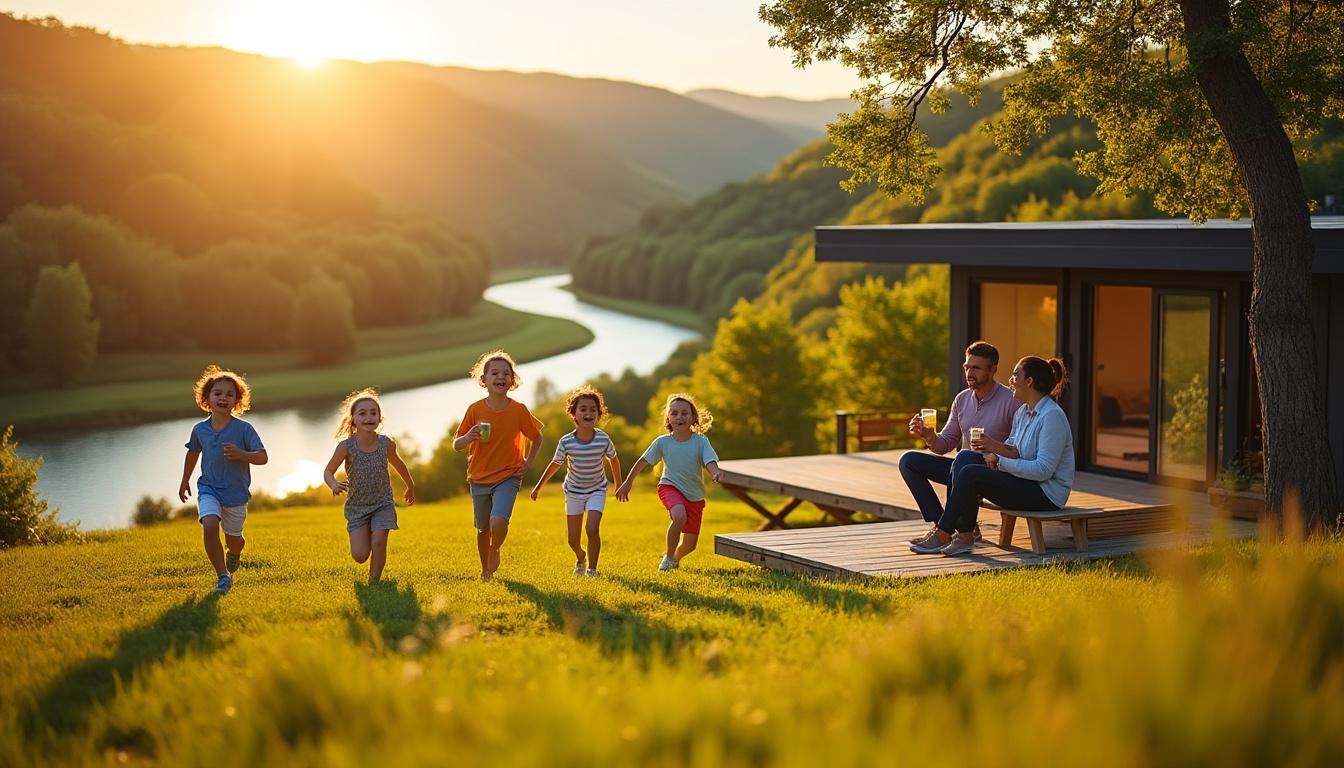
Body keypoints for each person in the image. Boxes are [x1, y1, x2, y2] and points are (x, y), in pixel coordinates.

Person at [910, 356, 1074, 556]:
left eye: (1016, 375)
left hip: (1045, 494)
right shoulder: (1023, 412)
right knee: (965, 458)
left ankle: (945, 533)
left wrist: (1000, 461)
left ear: (1029, 382)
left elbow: (1043, 471)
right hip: (1024, 481)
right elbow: (1013, 449)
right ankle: (964, 534)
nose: (1011, 380)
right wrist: (991, 446)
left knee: (971, 474)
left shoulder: (1051, 417)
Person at [898, 341, 1017, 542]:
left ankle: (955, 529)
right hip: (961, 470)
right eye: (967, 367)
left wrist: (994, 454)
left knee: (963, 458)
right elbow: (944, 444)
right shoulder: (961, 400)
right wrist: (929, 436)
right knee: (908, 461)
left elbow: (1018, 447)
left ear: (993, 369)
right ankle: (943, 525)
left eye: (976, 368)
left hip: (993, 471)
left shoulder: (1012, 400)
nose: (969, 372)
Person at [453, 350, 543, 581]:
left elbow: (537, 437)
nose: (500, 377)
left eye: (506, 373)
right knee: (483, 529)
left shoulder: (519, 410)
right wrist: (470, 436)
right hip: (479, 477)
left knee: (498, 521)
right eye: (495, 373)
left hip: (508, 475)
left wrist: (528, 463)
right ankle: (486, 570)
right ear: (484, 380)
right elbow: (457, 444)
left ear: (512, 380)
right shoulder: (475, 409)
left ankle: (495, 549)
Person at [177, 365, 268, 594]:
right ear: (207, 398)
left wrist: (242, 455)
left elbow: (262, 457)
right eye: (217, 393)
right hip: (208, 488)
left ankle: (235, 553)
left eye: (230, 394)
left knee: (234, 540)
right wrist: (185, 480)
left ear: (237, 400)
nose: (223, 398)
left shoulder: (244, 429)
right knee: (209, 525)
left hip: (236, 495)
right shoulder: (200, 430)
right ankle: (222, 576)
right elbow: (193, 453)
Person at [615, 393, 722, 571]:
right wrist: (628, 482)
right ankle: (669, 556)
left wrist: (715, 472)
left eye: (684, 413)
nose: (679, 416)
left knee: (690, 545)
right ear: (668, 418)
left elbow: (709, 460)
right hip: (669, 486)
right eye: (674, 413)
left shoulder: (700, 442)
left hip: (695, 496)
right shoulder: (662, 442)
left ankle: (673, 558)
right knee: (679, 516)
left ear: (693, 418)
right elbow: (643, 461)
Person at [323, 388, 416, 584]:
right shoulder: (346, 447)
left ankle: (374, 583)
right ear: (353, 419)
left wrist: (410, 486)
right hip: (357, 507)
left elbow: (399, 464)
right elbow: (328, 471)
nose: (368, 417)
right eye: (362, 413)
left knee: (379, 541)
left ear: (380, 418)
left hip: (383, 503)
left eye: (373, 413)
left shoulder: (386, 444)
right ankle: (365, 534)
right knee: (360, 555)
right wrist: (333, 484)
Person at [529, 385, 622, 577]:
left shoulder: (603, 439)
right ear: (574, 414)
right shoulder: (566, 442)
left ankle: (592, 570)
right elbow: (555, 464)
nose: (588, 413)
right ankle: (581, 557)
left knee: (592, 528)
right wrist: (538, 487)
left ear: (599, 414)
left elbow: (613, 459)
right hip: (573, 492)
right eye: (583, 409)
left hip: (597, 489)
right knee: (572, 539)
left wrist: (619, 485)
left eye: (592, 410)